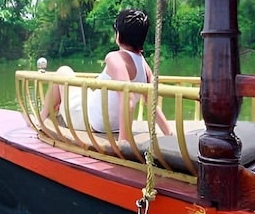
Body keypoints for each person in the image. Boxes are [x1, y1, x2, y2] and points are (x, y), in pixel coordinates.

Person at [39, 8, 173, 137]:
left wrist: (124, 142)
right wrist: (168, 133)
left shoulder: (115, 58)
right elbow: (151, 103)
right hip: (110, 123)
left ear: (118, 35)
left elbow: (128, 100)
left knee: (63, 71)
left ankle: (43, 119)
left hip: (87, 119)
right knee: (77, 88)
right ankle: (50, 115)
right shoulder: (144, 65)